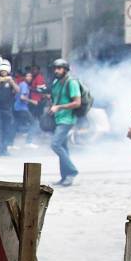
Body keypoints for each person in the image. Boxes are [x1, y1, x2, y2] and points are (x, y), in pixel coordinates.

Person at [49, 58, 81, 186]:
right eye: (55, 68)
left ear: (65, 70)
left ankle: (72, 171)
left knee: (55, 145)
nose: (57, 71)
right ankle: (65, 177)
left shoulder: (71, 82)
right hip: (58, 118)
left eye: (60, 68)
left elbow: (77, 102)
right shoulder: (56, 83)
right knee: (63, 147)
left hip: (67, 119)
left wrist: (59, 107)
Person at [14, 71, 37, 145]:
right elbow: (22, 97)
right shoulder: (24, 85)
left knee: (15, 124)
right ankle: (29, 142)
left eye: (30, 76)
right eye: (28, 76)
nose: (29, 78)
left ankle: (9, 143)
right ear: (24, 77)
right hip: (22, 108)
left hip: (17, 107)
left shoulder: (22, 84)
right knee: (34, 123)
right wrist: (32, 101)